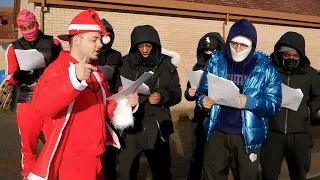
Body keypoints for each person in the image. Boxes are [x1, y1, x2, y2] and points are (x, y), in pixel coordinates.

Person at [27, 9, 139, 180]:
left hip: (97, 155)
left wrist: (126, 102)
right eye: (94, 39)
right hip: (72, 160)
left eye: (99, 39)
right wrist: (74, 78)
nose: (100, 44)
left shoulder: (95, 71)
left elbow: (105, 107)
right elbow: (42, 106)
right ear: (77, 40)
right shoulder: (58, 68)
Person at [196, 19, 282, 180]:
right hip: (217, 131)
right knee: (211, 175)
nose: (237, 49)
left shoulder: (266, 69)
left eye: (243, 45)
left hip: (247, 136)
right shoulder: (216, 61)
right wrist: (202, 100)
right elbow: (203, 90)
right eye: (234, 43)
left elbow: (274, 105)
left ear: (252, 46)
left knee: (246, 176)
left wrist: (248, 102)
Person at [116, 25, 182, 180]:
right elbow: (114, 86)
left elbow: (177, 93)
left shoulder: (167, 65)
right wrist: (119, 89)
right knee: (126, 171)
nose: (144, 50)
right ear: (134, 46)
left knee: (161, 171)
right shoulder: (125, 63)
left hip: (157, 125)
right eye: (140, 46)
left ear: (155, 45)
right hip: (130, 126)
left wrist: (162, 96)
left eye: (148, 46)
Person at [5, 9, 62, 179]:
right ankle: (28, 176)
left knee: (55, 144)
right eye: (24, 28)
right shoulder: (13, 47)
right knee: (28, 147)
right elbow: (9, 76)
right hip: (27, 101)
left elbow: (64, 69)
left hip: (51, 100)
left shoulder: (54, 42)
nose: (29, 31)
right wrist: (17, 76)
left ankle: (53, 174)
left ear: (36, 24)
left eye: (31, 26)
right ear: (19, 29)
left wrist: (54, 61)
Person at [261, 31, 320, 180]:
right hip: (272, 134)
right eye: (286, 55)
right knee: (269, 174)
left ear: (301, 55)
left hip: (300, 136)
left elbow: (318, 96)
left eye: (295, 56)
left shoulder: (311, 75)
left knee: (299, 174)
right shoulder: (268, 71)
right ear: (279, 54)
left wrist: (309, 109)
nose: (291, 59)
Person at [185, 32, 225, 180]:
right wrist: (190, 93)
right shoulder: (197, 68)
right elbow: (189, 93)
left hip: (219, 118)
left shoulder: (225, 68)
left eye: (212, 51)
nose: (209, 54)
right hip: (200, 117)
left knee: (215, 157)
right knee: (197, 153)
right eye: (206, 51)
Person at [98, 18, 122, 180]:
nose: (106, 38)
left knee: (111, 148)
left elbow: (121, 77)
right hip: (94, 103)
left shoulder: (116, 55)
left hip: (111, 103)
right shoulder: (91, 53)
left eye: (109, 35)